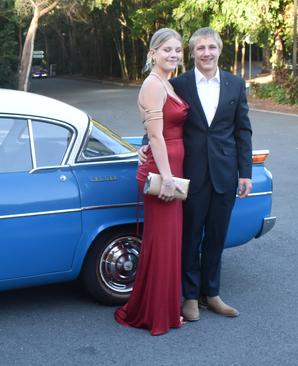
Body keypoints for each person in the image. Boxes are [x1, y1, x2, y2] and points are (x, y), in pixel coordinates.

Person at [138, 27, 253, 322]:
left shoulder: (235, 84)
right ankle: (190, 297)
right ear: (193, 53)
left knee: (216, 236)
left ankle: (211, 294)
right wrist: (143, 146)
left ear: (219, 49)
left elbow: (243, 130)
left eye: (211, 47)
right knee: (190, 236)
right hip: (191, 173)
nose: (206, 53)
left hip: (226, 174)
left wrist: (245, 173)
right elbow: (159, 120)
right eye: (200, 48)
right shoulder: (178, 83)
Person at [114, 28, 188, 336]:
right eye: (167, 50)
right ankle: (155, 314)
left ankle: (167, 310)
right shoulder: (152, 84)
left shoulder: (166, 83)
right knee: (161, 243)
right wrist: (168, 177)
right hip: (162, 172)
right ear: (153, 53)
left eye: (177, 50)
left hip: (169, 164)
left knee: (168, 243)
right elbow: (156, 134)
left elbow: (153, 134)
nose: (173, 55)